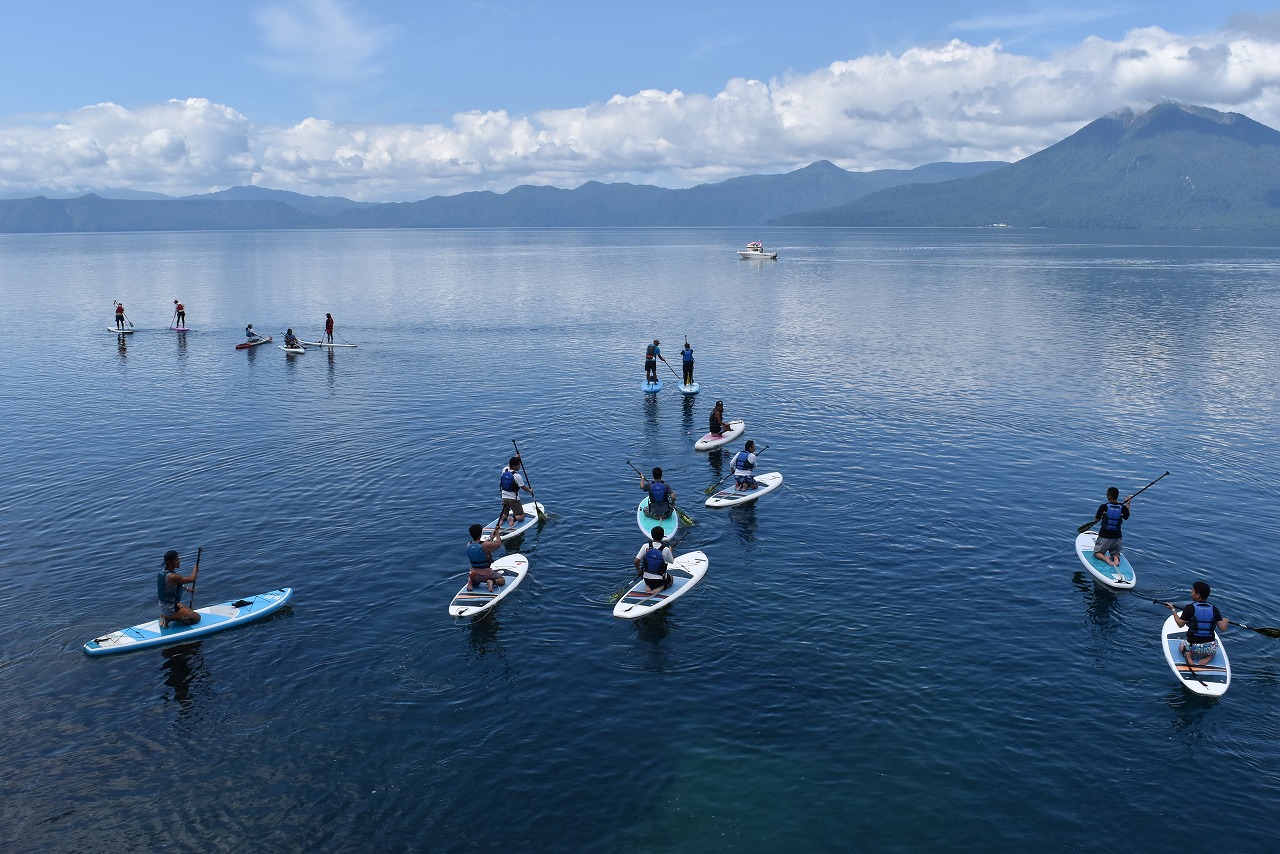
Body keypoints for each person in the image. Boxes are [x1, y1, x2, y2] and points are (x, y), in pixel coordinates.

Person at [1166, 581, 1229, 666]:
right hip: (1209, 648)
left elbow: (1180, 624)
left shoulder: (1189, 608)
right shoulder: (1214, 609)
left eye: (1192, 591)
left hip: (1193, 647)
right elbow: (1223, 628)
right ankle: (1208, 657)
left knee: (1181, 646)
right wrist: (1225, 621)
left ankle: (1189, 658)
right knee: (1214, 648)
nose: (1191, 593)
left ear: (1198, 595)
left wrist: (1173, 610)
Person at [157, 549, 200, 629]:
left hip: (162, 606)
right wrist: (195, 570)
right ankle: (169, 618)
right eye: (177, 560)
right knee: (197, 618)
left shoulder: (163, 573)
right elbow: (192, 579)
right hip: (169, 609)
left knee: (189, 609)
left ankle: (164, 616)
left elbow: (172, 586)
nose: (179, 561)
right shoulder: (173, 576)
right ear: (169, 562)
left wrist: (187, 589)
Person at [1092, 487, 1132, 568]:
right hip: (1117, 536)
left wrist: (1101, 517)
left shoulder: (1103, 507)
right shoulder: (1122, 507)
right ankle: (1116, 557)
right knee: (1116, 553)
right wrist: (1128, 503)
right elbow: (1127, 516)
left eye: (1107, 494)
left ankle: (1105, 558)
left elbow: (1096, 520)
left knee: (1097, 553)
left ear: (1109, 496)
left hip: (1105, 535)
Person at [633, 525, 676, 594]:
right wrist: (670, 551)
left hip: (646, 579)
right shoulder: (666, 549)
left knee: (649, 577)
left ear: (652, 536)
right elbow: (672, 561)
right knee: (671, 578)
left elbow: (636, 561)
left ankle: (648, 586)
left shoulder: (645, 546)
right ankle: (661, 587)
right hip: (659, 581)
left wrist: (639, 572)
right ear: (662, 537)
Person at [466, 523, 506, 592]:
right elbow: (499, 543)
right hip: (486, 573)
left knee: (474, 579)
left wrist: (491, 538)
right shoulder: (486, 545)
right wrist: (497, 533)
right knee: (502, 580)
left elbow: (482, 545)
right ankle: (492, 582)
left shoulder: (468, 545)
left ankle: (471, 581)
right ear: (481, 534)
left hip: (474, 573)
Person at [499, 456, 535, 528]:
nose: (520, 466)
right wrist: (530, 490)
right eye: (518, 465)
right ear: (514, 466)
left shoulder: (504, 470)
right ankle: (513, 519)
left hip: (504, 497)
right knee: (521, 516)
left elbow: (509, 465)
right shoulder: (517, 476)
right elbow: (523, 487)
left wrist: (516, 457)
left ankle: (501, 520)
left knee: (505, 513)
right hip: (513, 499)